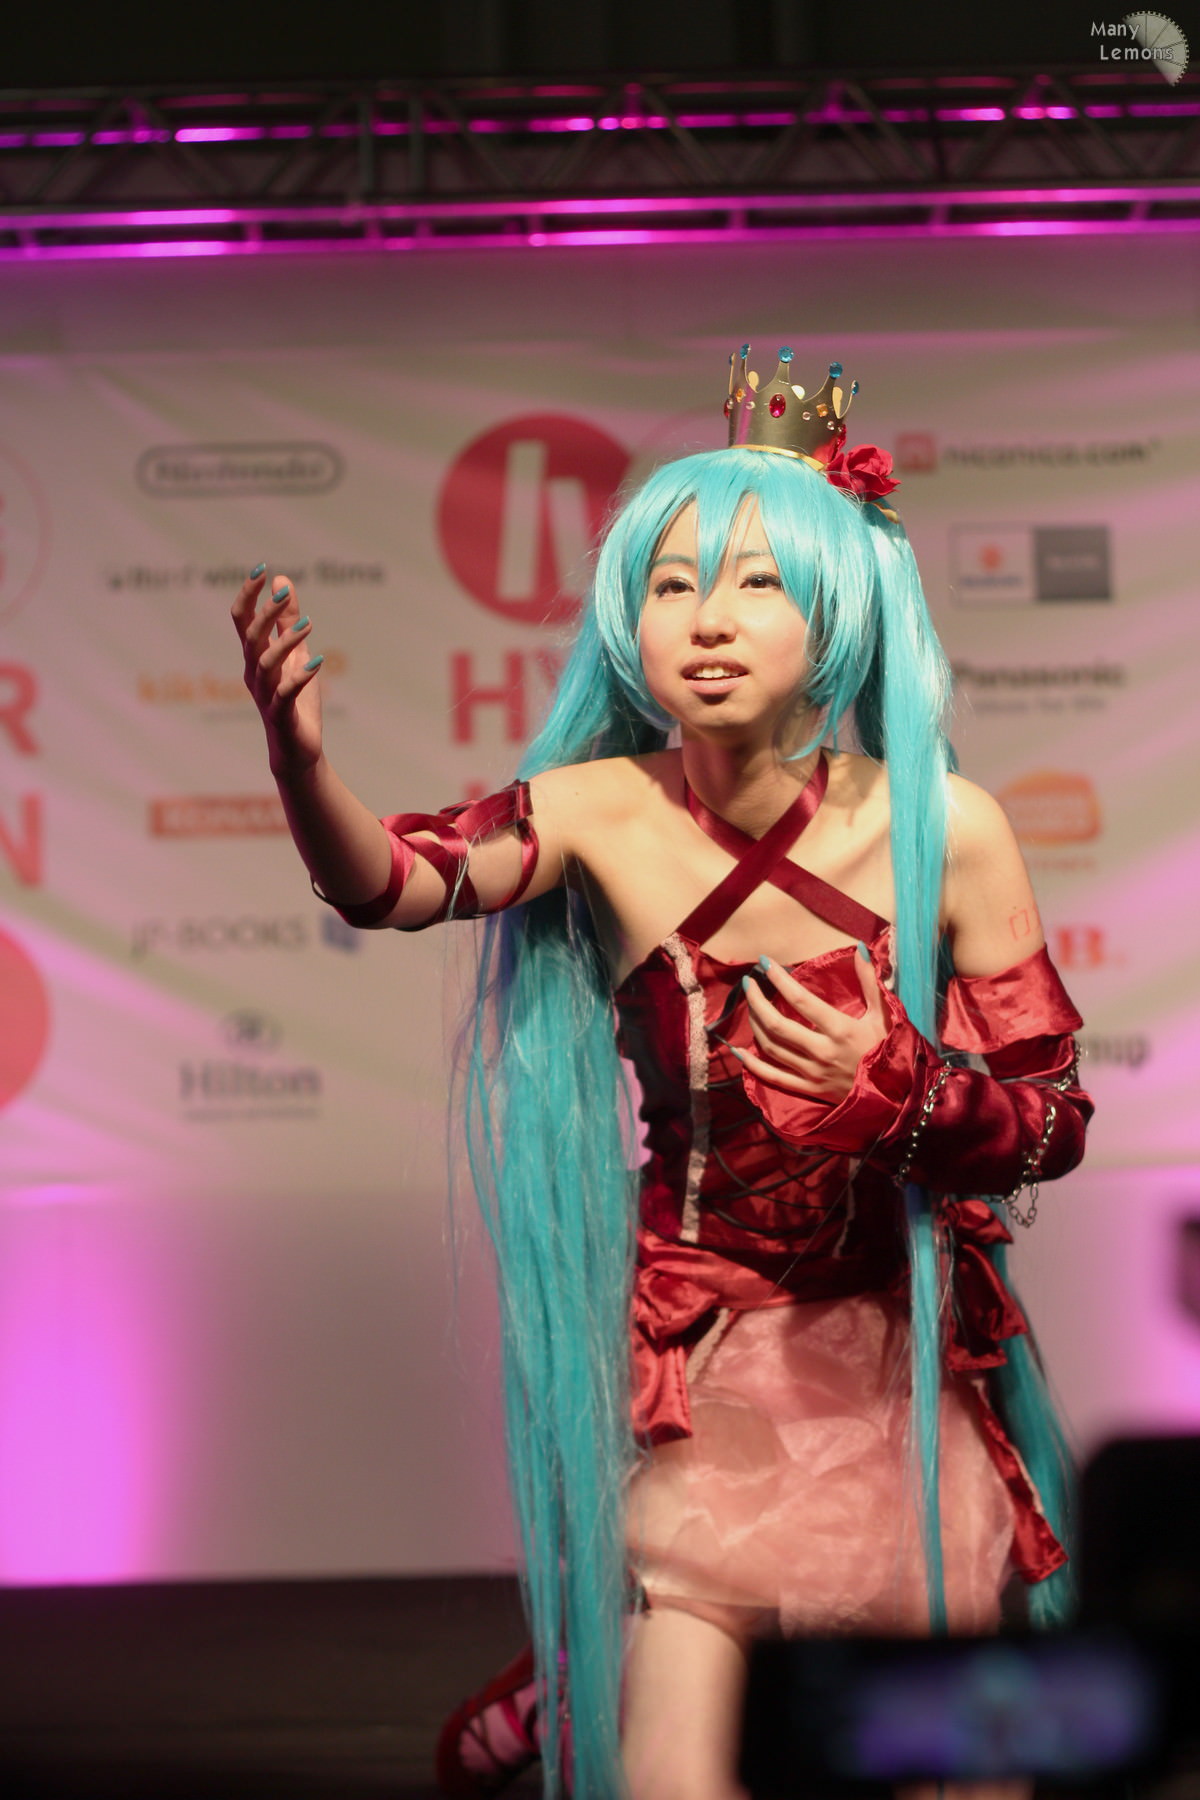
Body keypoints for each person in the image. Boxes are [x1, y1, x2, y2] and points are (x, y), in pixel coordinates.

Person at [231, 346, 1092, 1800]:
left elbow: (1053, 1123)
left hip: (902, 1358)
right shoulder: (597, 812)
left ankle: (571, 1677)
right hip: (713, 1364)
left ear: (837, 611)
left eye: (757, 582)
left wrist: (901, 1095)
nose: (708, 618)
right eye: (672, 583)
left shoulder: (949, 825)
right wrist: (299, 765)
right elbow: (393, 883)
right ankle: (592, 1668)